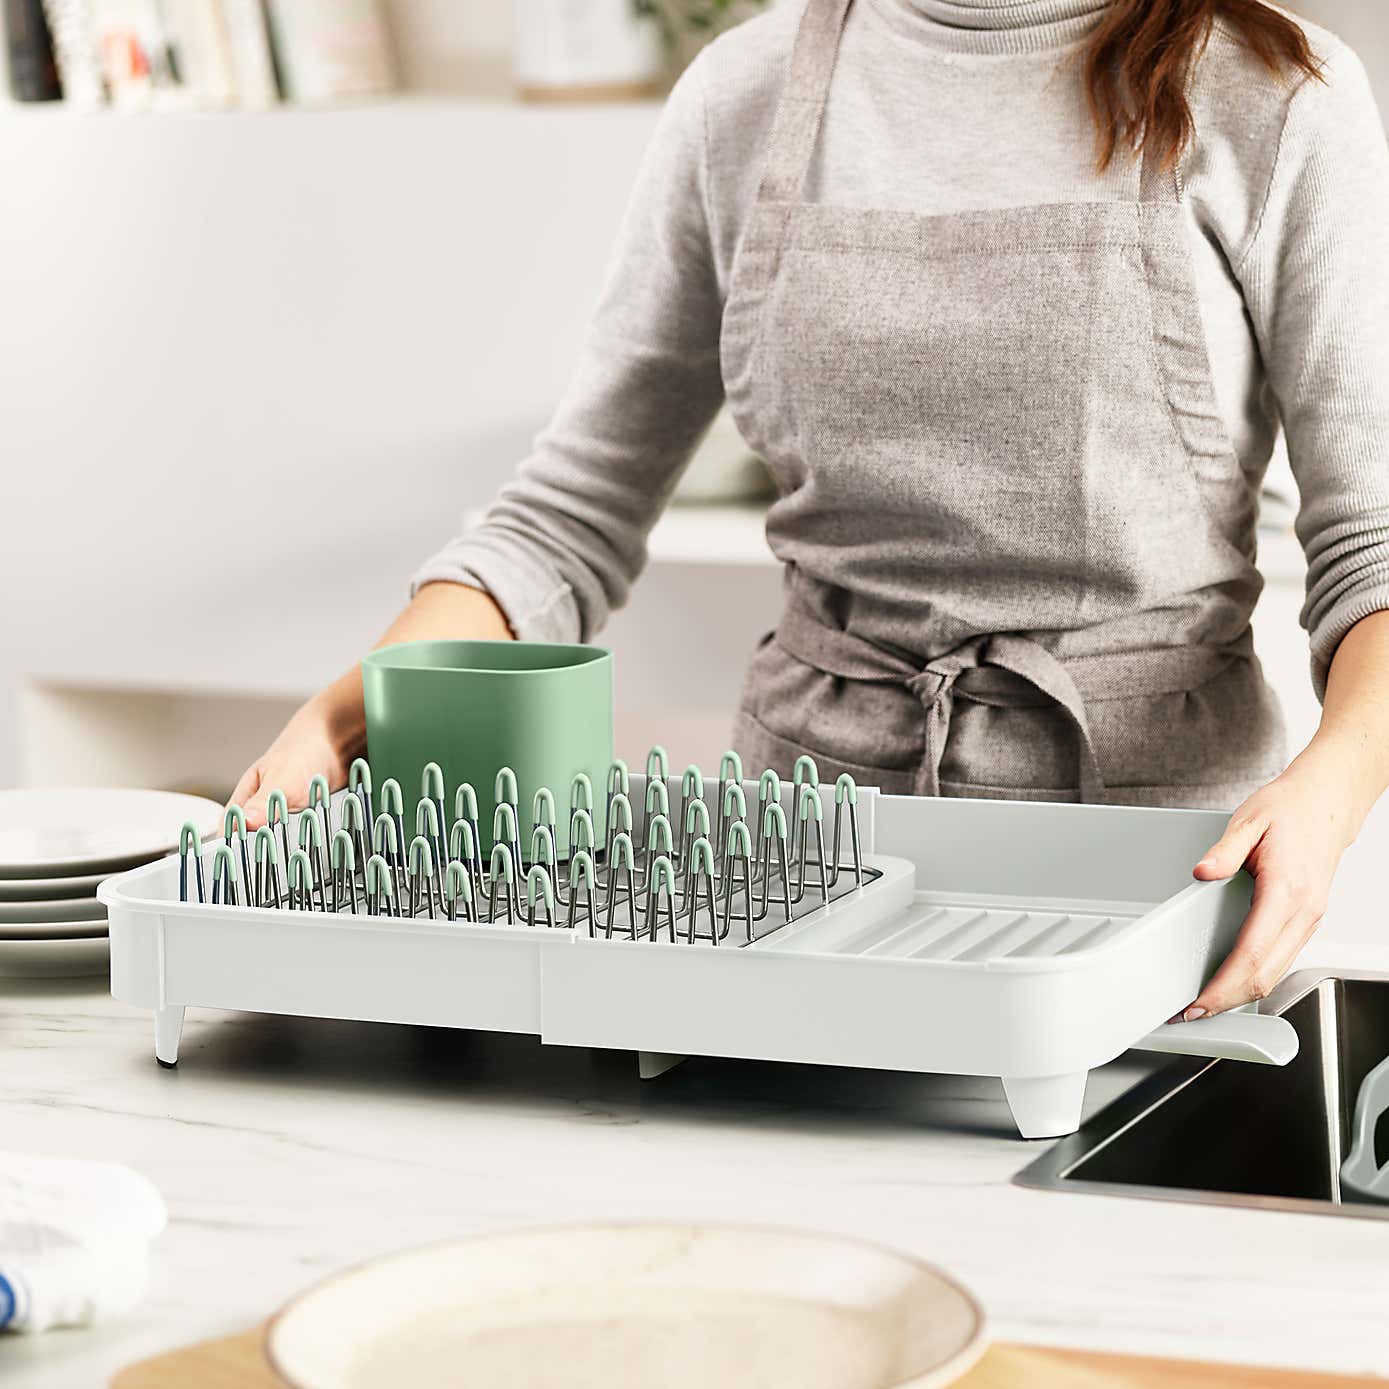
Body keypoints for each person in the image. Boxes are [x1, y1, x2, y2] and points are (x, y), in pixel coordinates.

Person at [232, 0, 1389, 1022]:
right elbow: (569, 510)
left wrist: (1331, 794)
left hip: (1154, 885)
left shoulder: (1277, 97)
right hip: (787, 866)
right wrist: (355, 706)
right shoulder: (745, 91)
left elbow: (1373, 546)